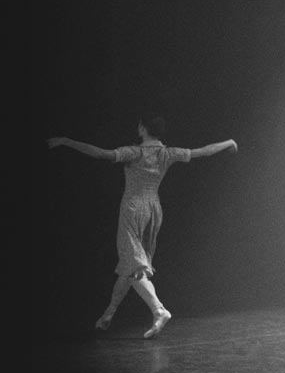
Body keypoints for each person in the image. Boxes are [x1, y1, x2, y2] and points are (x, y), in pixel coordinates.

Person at [47, 115, 238, 338]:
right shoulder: (168, 153)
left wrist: (66, 141)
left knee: (134, 266)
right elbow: (203, 151)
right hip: (153, 210)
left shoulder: (134, 152)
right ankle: (108, 314)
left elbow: (101, 153)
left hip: (132, 209)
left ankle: (159, 310)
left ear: (143, 129)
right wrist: (229, 142)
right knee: (129, 266)